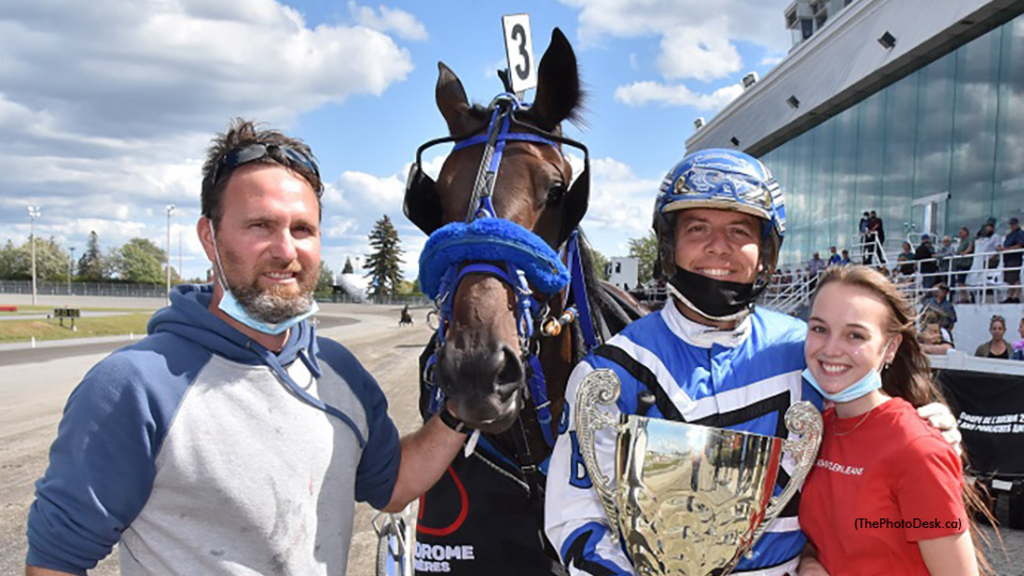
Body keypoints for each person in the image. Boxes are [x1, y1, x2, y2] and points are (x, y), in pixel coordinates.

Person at [25, 120, 468, 576]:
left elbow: (392, 484)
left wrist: (460, 412)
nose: (285, 250)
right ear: (208, 237)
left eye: (302, 229)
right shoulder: (133, 387)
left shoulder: (339, 371)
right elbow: (54, 564)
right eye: (260, 225)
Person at [543, 150, 959, 576]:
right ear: (669, 245)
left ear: (764, 253)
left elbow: (873, 438)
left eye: (738, 230)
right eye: (697, 228)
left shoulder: (810, 352)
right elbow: (575, 520)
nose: (718, 247)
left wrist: (928, 428)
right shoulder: (611, 374)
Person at [797, 265, 987, 576]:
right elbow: (824, 537)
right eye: (819, 329)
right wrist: (809, 563)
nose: (830, 349)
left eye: (855, 335)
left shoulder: (917, 449)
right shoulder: (821, 427)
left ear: (891, 348)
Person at [997, 216, 1024, 303]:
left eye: (1013, 224)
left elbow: (1019, 245)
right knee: (1010, 279)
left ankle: (1016, 296)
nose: (1012, 226)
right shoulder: (1010, 235)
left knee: (1015, 278)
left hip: (1015, 258)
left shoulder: (1020, 233)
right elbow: (1006, 245)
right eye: (1011, 224)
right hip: (1008, 259)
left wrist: (1006, 249)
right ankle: (1010, 297)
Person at [952, 226, 974, 302]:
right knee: (960, 281)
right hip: (960, 263)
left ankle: (965, 298)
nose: (959, 234)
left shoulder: (969, 239)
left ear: (966, 232)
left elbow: (970, 247)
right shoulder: (961, 241)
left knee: (961, 281)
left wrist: (964, 253)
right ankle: (964, 297)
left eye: (961, 232)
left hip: (965, 263)